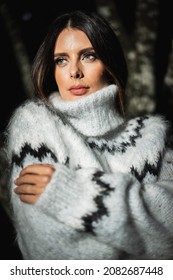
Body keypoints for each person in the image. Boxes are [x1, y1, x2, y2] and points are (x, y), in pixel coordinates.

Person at [3, 9, 173, 260]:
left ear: (109, 62)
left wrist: (78, 195)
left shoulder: (153, 136)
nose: (74, 71)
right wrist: (143, 234)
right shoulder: (35, 123)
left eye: (89, 56)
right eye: (61, 60)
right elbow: (50, 250)